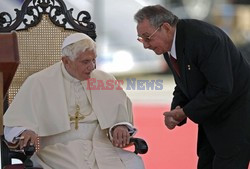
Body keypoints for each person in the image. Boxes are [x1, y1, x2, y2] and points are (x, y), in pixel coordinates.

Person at [3, 33, 145, 169]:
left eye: (94, 60)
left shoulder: (105, 79)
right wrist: (26, 131)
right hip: (57, 149)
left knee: (134, 163)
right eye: (85, 62)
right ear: (66, 61)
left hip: (101, 144)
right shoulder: (39, 82)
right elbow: (15, 122)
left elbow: (119, 115)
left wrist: (119, 126)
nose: (92, 66)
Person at [134, 4, 250, 169]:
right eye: (141, 39)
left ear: (166, 28)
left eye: (148, 37)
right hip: (212, 120)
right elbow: (184, 84)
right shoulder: (169, 45)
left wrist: (185, 112)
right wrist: (177, 109)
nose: (145, 45)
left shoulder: (204, 39)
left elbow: (221, 88)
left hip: (236, 117)